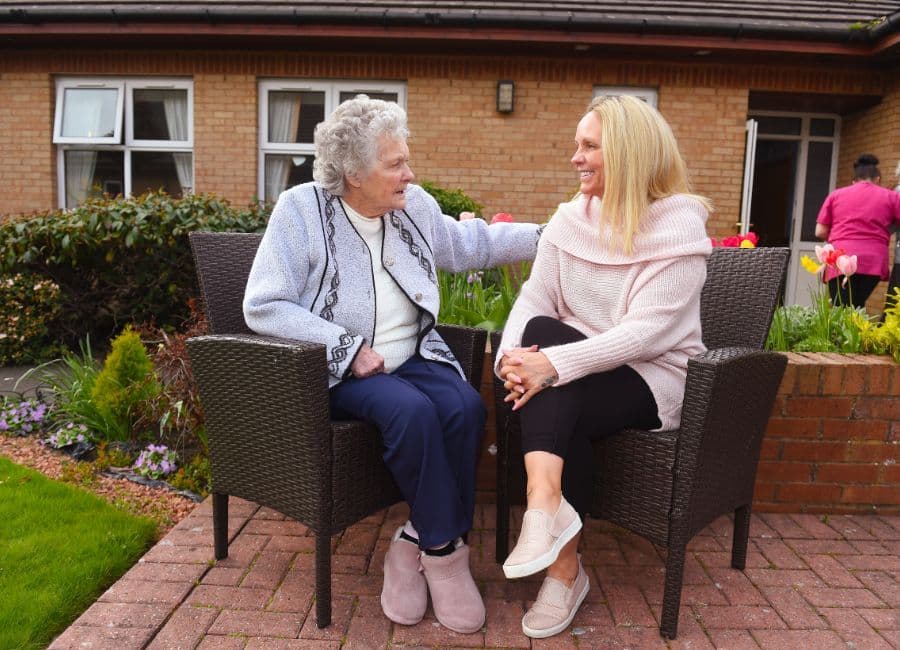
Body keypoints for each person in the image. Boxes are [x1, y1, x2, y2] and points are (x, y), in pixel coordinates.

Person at [243, 95, 540, 634]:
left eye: (406, 159)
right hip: (339, 369)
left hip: (413, 353)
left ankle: (412, 543)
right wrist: (345, 347)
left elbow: (466, 245)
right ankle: (446, 557)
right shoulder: (300, 210)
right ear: (354, 173)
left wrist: (546, 238)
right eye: (395, 164)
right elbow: (263, 304)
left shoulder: (415, 206)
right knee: (412, 414)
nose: (410, 173)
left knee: (467, 409)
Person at [495, 95, 712, 639]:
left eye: (589, 146)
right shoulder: (571, 220)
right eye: (577, 145)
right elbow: (533, 298)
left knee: (551, 369)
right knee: (543, 348)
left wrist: (549, 365)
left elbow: (644, 334)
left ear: (631, 155)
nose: (576, 157)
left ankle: (554, 540)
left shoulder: (678, 233)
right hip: (574, 371)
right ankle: (554, 533)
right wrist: (510, 359)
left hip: (650, 375)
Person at [815, 154, 900, 309]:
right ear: (878, 179)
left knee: (842, 308)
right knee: (856, 306)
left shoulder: (836, 195)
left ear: (854, 181)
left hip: (840, 258)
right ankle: (857, 331)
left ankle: (845, 332)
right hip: (873, 262)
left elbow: (820, 231)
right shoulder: (891, 197)